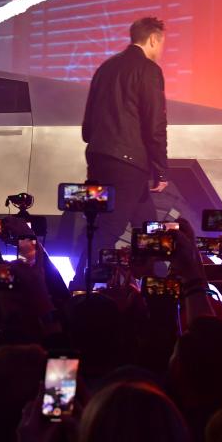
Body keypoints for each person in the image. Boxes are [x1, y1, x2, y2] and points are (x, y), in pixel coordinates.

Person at [76, 16, 169, 284]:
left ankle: (156, 282)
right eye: (161, 43)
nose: (162, 50)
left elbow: (87, 126)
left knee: (146, 225)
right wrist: (161, 170)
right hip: (127, 163)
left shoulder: (106, 67)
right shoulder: (149, 70)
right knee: (108, 228)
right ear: (153, 39)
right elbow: (155, 124)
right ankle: (79, 287)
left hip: (98, 158)